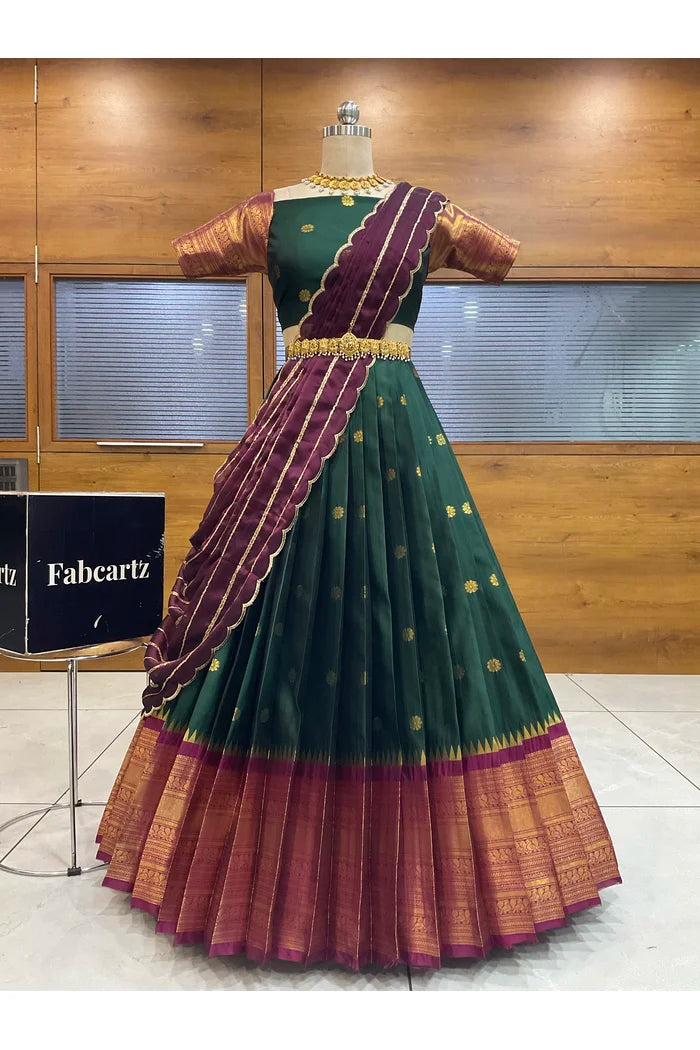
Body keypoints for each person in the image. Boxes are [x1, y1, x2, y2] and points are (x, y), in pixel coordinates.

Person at [96, 151, 621, 970]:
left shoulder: (431, 213)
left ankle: (436, 881)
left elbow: (500, 255)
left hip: (398, 441)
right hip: (293, 446)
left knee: (427, 615)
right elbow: (192, 252)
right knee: (277, 618)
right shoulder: (267, 213)